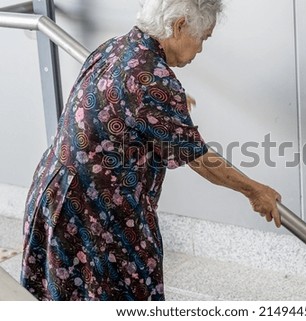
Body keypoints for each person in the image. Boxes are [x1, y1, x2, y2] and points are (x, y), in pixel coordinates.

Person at [21, 0, 281, 301]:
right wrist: (254, 191)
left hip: (55, 191)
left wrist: (172, 105)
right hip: (94, 214)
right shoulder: (153, 79)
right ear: (180, 25)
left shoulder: (115, 47)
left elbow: (124, 99)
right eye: (203, 38)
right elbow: (199, 159)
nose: (200, 49)